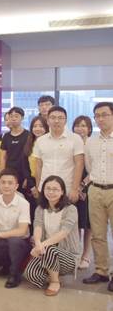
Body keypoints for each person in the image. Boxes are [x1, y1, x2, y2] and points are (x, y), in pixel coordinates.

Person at [24, 176, 80, 296]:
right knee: (30, 274)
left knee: (50, 248)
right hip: (45, 252)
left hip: (67, 255)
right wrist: (38, 243)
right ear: (43, 190)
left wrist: (41, 245)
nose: (51, 192)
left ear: (62, 191)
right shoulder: (40, 208)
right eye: (48, 188)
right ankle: (52, 273)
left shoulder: (71, 209)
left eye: (55, 189)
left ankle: (55, 281)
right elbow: (37, 227)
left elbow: (64, 233)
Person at [82, 102, 113, 291]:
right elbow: (89, 166)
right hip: (95, 190)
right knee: (98, 234)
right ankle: (101, 271)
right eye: (97, 116)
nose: (100, 119)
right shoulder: (91, 141)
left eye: (104, 114)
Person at [33, 106, 84, 205]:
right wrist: (39, 186)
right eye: (53, 118)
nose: (56, 121)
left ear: (65, 121)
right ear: (47, 120)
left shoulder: (75, 139)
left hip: (67, 188)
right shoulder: (40, 140)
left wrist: (75, 189)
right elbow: (38, 165)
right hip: (46, 189)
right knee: (46, 214)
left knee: (67, 214)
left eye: (60, 118)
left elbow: (79, 164)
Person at [72, 115, 93, 270]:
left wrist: (82, 186)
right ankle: (76, 254)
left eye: (84, 125)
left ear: (89, 129)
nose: (80, 128)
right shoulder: (71, 144)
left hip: (90, 188)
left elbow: (95, 168)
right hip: (73, 188)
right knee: (75, 223)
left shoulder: (91, 144)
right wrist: (75, 187)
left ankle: (86, 255)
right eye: (77, 125)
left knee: (88, 224)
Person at [0, 107, 31, 191]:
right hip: (9, 173)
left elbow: (30, 158)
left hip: (24, 172)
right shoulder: (6, 136)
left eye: (16, 116)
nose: (13, 119)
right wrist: (2, 174)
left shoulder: (28, 135)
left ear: (22, 118)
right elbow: (3, 157)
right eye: (11, 116)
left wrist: (28, 177)